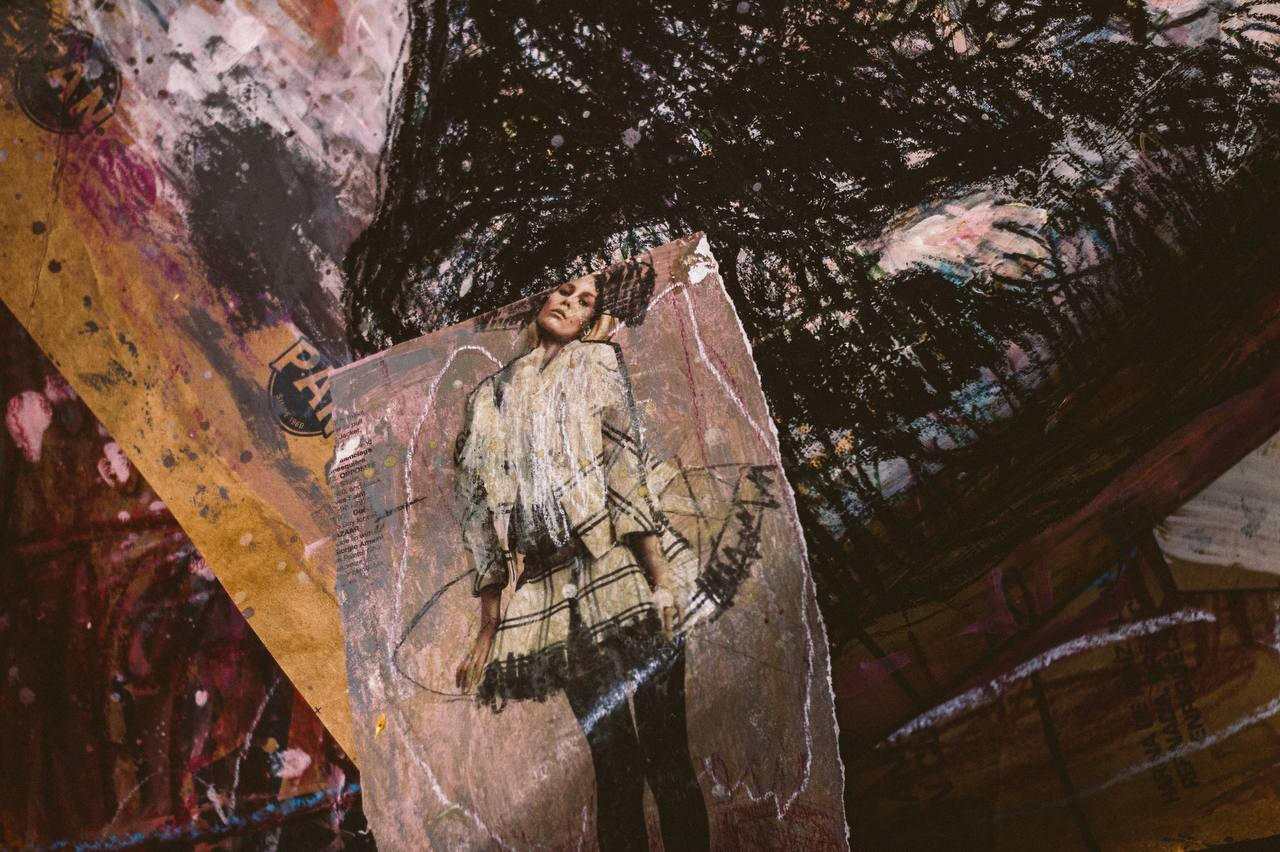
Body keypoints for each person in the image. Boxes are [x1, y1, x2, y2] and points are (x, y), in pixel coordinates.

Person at [452, 272, 711, 852]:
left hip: (621, 566)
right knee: (614, 764)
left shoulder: (597, 362)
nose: (569, 303)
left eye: (585, 300)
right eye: (564, 291)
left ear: (593, 318)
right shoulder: (489, 397)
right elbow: (475, 511)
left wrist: (660, 578)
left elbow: (624, 463)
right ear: (540, 295)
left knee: (666, 750)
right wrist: (488, 627)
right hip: (553, 593)